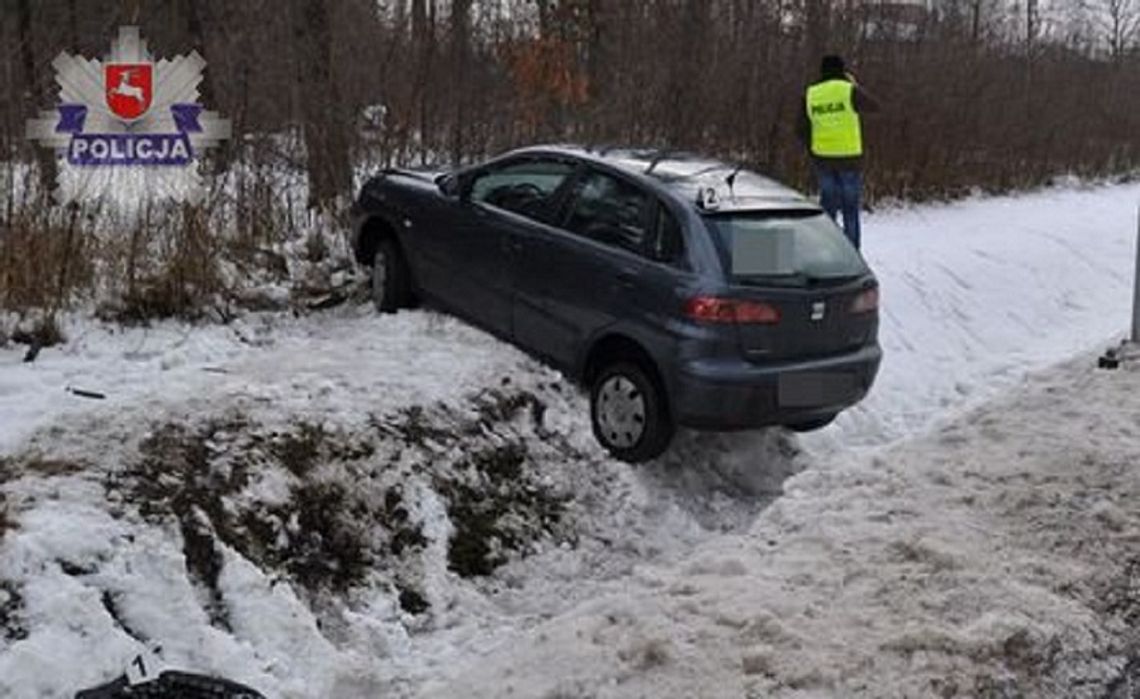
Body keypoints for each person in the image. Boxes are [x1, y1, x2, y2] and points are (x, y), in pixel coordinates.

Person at [798, 54, 880, 250]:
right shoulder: (848, 90)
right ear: (842, 71)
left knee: (828, 211)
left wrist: (813, 149)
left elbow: (800, 128)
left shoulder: (811, 93)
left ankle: (828, 252)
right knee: (850, 211)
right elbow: (875, 106)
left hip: (823, 160)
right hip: (850, 160)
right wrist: (854, 85)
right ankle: (851, 257)